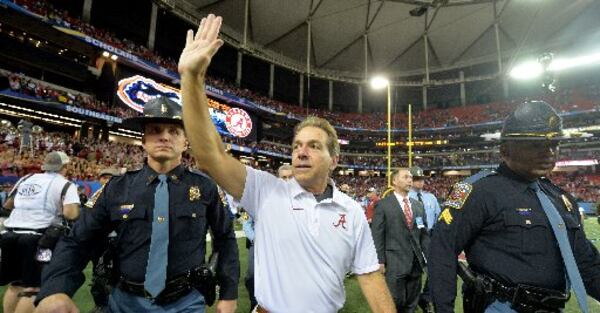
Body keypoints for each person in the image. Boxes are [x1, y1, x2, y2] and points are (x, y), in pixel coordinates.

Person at [179, 14, 395, 313]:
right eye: (296, 146)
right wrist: (192, 78)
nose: (301, 152)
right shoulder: (266, 191)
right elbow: (208, 155)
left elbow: (369, 275)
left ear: (334, 159)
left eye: (314, 146)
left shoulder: (351, 211)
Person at [34, 97, 240, 313]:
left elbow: (225, 239)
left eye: (174, 131)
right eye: (155, 130)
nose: (164, 137)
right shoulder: (116, 188)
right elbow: (77, 240)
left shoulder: (206, 187)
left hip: (186, 303)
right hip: (124, 303)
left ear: (185, 142)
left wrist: (228, 293)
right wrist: (54, 289)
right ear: (143, 140)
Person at [429, 100, 600, 313]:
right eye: (536, 145)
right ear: (505, 150)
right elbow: (442, 252)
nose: (549, 152)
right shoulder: (478, 192)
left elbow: (587, 264)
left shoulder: (562, 200)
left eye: (554, 144)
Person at [1, 151, 80, 313]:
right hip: (38, 239)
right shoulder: (65, 184)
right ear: (64, 166)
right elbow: (70, 214)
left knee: (15, 284)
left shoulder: (26, 178)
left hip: (10, 236)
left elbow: (8, 205)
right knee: (33, 288)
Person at [372, 168, 429, 313]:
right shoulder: (383, 205)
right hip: (394, 263)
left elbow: (423, 234)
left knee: (412, 303)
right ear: (394, 181)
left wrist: (428, 258)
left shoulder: (418, 206)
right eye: (405, 177)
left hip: (415, 264)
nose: (410, 180)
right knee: (395, 301)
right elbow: (377, 235)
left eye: (410, 177)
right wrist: (380, 260)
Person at [86, 167, 120, 313]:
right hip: (100, 240)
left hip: (117, 240)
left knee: (119, 274)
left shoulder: (124, 194)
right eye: (104, 177)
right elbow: (87, 215)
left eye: (110, 177)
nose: (106, 180)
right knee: (98, 274)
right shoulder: (95, 196)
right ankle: (101, 304)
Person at [408, 166, 439, 313]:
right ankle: (411, 302)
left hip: (430, 237)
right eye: (416, 179)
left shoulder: (431, 197)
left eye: (421, 179)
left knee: (435, 270)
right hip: (412, 237)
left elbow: (439, 217)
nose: (420, 182)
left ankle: (425, 298)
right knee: (414, 272)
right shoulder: (405, 197)